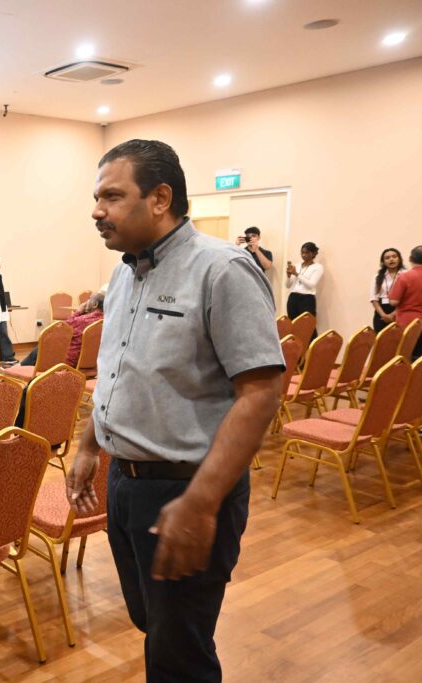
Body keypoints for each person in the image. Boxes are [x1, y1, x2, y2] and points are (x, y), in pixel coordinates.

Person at [66, 139, 283, 682]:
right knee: (153, 623)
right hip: (125, 485)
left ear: (160, 198)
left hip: (187, 491)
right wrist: (89, 445)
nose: (97, 211)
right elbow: (118, 370)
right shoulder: (123, 273)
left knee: (179, 652)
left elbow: (261, 392)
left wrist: (202, 502)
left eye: (112, 197)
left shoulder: (222, 270)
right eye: (97, 198)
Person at [20, 292, 104, 368]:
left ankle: (21, 369)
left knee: (41, 347)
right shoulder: (105, 321)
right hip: (93, 364)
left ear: (95, 304)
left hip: (69, 362)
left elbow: (62, 329)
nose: (86, 302)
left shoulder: (82, 321)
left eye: (89, 299)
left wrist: (78, 312)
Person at [389, 245, 422, 360]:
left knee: (407, 356)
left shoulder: (405, 277)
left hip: (408, 322)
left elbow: (393, 302)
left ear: (410, 259)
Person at [285, 241, 323, 338]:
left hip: (307, 299)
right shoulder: (297, 265)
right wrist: (288, 276)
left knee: (308, 326)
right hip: (293, 298)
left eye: (307, 252)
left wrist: (297, 274)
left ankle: (311, 346)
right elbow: (288, 285)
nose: (304, 255)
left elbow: (311, 284)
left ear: (314, 253)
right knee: (292, 324)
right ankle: (294, 346)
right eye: (302, 252)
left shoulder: (318, 267)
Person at [371, 247, 405, 332]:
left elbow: (409, 298)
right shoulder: (377, 277)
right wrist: (383, 315)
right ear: (383, 262)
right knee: (382, 338)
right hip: (381, 312)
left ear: (399, 259)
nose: (391, 259)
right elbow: (374, 298)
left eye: (394, 256)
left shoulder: (406, 274)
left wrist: (393, 314)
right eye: (387, 258)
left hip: (401, 309)